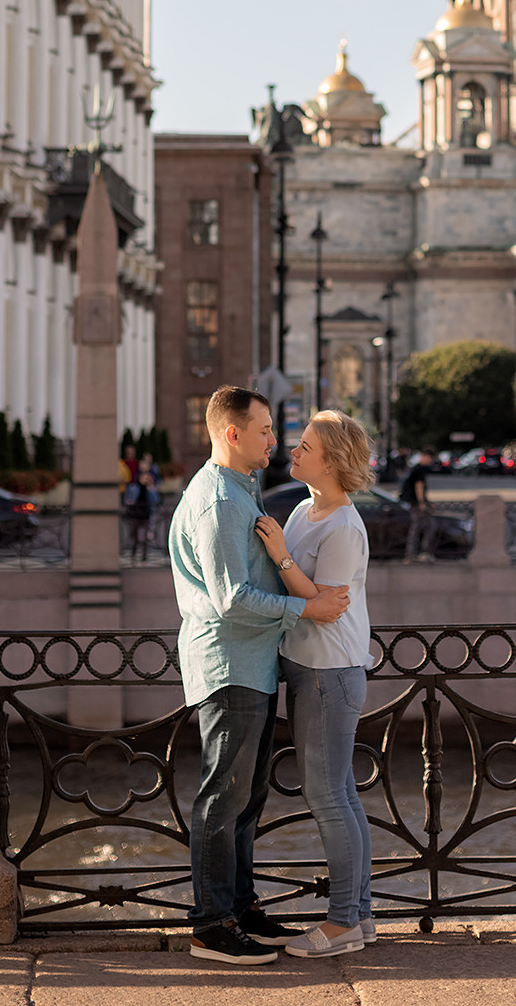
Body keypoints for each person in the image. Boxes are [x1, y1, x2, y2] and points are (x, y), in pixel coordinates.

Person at [169, 385, 351, 966]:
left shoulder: (239, 490)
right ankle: (211, 923)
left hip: (252, 662)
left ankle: (239, 910)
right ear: (233, 433)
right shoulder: (220, 501)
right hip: (230, 664)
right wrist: (307, 608)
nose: (275, 439)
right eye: (267, 430)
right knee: (223, 798)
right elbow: (229, 598)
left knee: (245, 797)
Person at [255, 411, 374, 958]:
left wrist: (279, 551)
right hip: (311, 667)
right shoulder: (305, 508)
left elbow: (322, 606)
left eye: (304, 447)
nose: (291, 452)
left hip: (330, 670)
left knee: (328, 797)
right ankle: (361, 917)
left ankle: (343, 922)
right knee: (341, 796)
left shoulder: (344, 526)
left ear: (331, 460)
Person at [399, 450, 436, 563]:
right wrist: (422, 502)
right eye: (430, 458)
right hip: (416, 503)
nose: (430, 461)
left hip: (413, 502)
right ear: (425, 457)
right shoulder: (420, 470)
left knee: (418, 527)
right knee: (425, 527)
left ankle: (414, 554)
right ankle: (420, 553)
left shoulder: (415, 469)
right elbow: (419, 487)